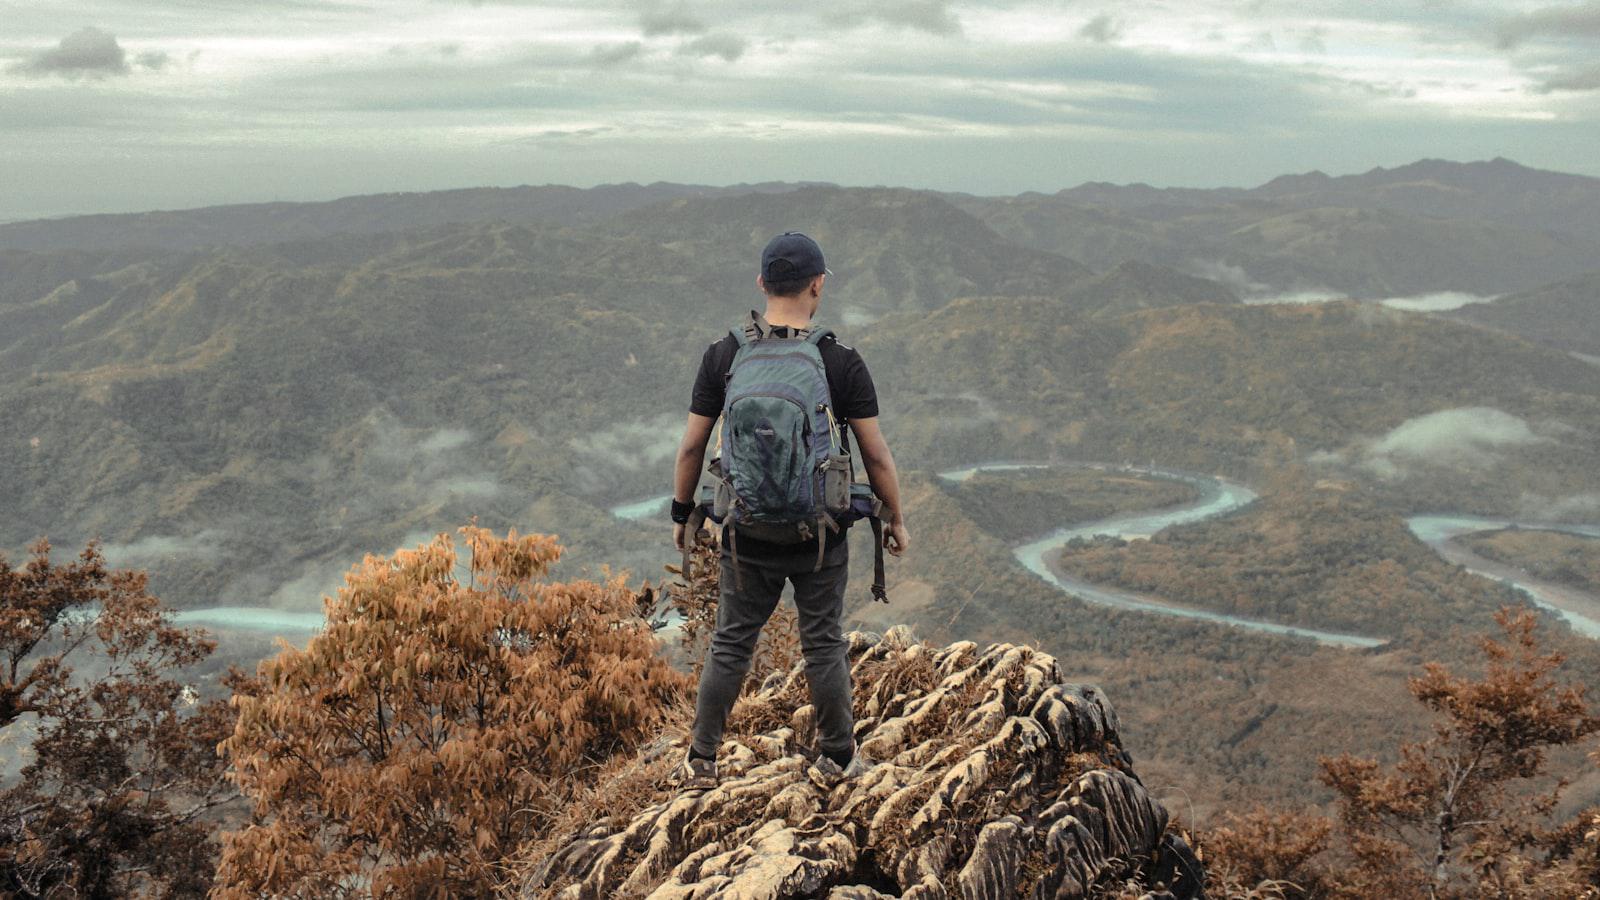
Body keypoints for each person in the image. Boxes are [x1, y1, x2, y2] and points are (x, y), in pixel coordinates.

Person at [670, 232, 910, 790]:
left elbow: (691, 448)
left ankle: (701, 759)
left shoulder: (724, 355)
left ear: (762, 283)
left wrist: (683, 514)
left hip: (745, 532)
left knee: (732, 642)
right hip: (818, 535)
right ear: (817, 285)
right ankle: (838, 757)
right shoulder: (838, 360)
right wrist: (895, 518)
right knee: (822, 641)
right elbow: (875, 454)